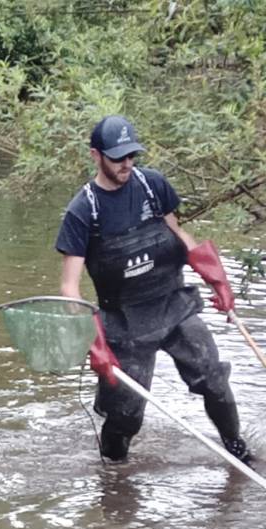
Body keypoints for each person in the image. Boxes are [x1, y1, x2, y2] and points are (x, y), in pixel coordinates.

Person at [57, 114, 251, 463]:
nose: (127, 164)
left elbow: (179, 235)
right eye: (118, 158)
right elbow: (69, 287)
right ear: (95, 156)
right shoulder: (83, 210)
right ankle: (113, 476)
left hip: (174, 305)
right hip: (125, 324)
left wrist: (216, 278)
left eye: (132, 156)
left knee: (215, 382)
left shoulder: (152, 185)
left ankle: (239, 451)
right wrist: (93, 340)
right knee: (126, 415)